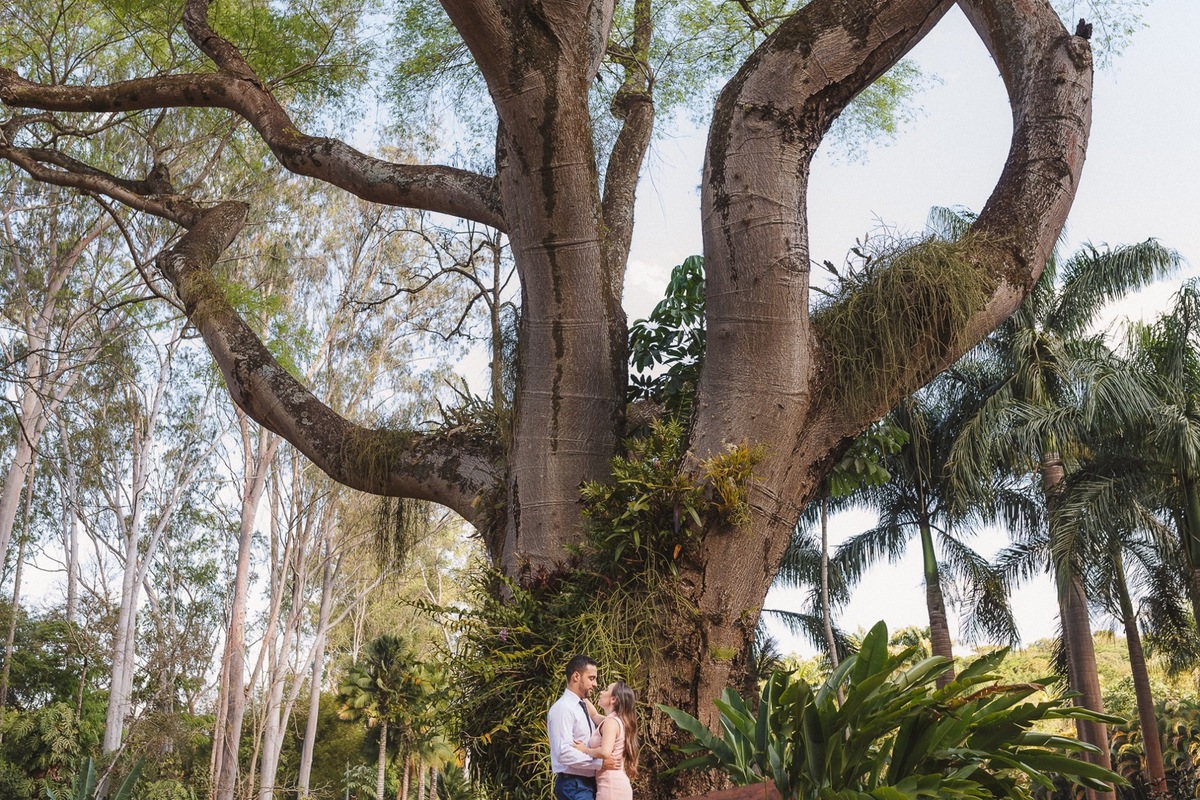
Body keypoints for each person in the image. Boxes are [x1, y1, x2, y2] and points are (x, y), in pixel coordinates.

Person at [548, 655, 608, 800]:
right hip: (574, 784)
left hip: (586, 784)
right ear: (576, 676)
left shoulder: (582, 706)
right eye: (591, 678)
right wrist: (599, 762)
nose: (595, 684)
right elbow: (564, 753)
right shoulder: (563, 708)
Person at [573, 681, 639, 800]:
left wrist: (585, 750)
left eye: (606, 690)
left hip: (611, 787)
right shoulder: (614, 721)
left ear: (613, 699)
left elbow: (605, 752)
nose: (601, 692)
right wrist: (579, 693)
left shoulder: (611, 723)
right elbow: (593, 715)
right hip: (615, 784)